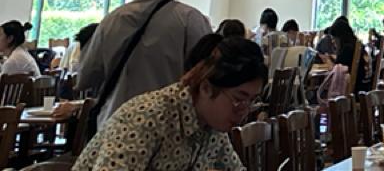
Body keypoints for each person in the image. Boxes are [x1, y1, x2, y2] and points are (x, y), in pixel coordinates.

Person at [72, 35, 264, 171]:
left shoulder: (212, 128)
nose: (244, 111)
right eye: (239, 99)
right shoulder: (148, 116)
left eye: (252, 101)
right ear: (206, 88)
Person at [78, 0, 211, 128]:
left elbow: (85, 78)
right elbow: (207, 77)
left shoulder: (113, 18)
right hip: (166, 127)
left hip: (114, 127)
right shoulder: (190, 20)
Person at [325, 15, 370, 91]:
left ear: (340, 37)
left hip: (350, 89)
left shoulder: (347, 49)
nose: (333, 41)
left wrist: (327, 60)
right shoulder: (354, 44)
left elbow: (335, 71)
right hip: (360, 87)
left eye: (334, 38)